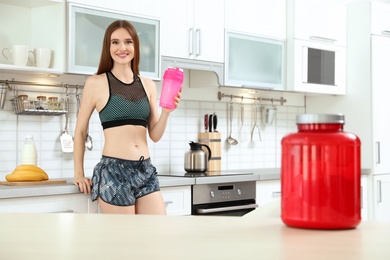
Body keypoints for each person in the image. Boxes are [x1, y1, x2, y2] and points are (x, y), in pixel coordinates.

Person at [73, 20, 181, 215]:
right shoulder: (96, 83)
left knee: (156, 235)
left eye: (128, 42)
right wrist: (79, 174)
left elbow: (154, 135)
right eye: (115, 42)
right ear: (108, 47)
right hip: (114, 173)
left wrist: (167, 111)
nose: (122, 48)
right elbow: (80, 131)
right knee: (124, 241)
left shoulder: (147, 84)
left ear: (135, 46)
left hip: (145, 171)